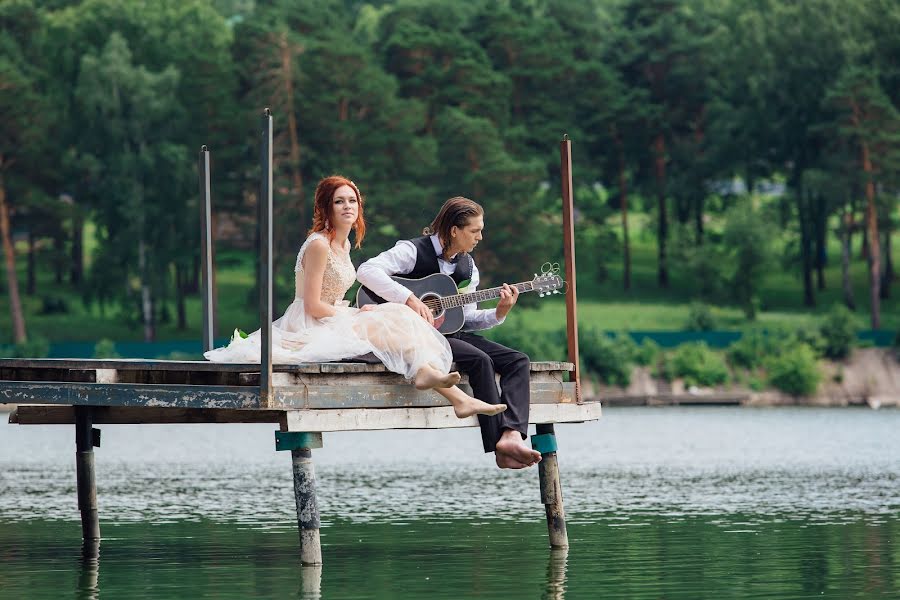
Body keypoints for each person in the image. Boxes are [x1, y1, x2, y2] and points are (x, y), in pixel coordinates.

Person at [205, 176, 506, 420]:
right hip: (310, 321)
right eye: (339, 201)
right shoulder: (319, 245)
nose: (347, 206)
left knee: (396, 315)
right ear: (327, 208)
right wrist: (352, 315)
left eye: (352, 201)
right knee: (395, 314)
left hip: (332, 314)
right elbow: (311, 305)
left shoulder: (344, 244)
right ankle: (448, 390)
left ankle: (456, 397)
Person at [357, 197, 543, 469]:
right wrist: (409, 299)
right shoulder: (411, 251)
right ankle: (498, 448)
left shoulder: (468, 267)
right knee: (481, 360)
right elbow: (366, 271)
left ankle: (511, 434)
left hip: (448, 334)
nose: (480, 237)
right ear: (454, 230)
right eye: (475, 230)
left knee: (518, 361)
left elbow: (464, 319)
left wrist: (500, 312)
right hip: (408, 336)